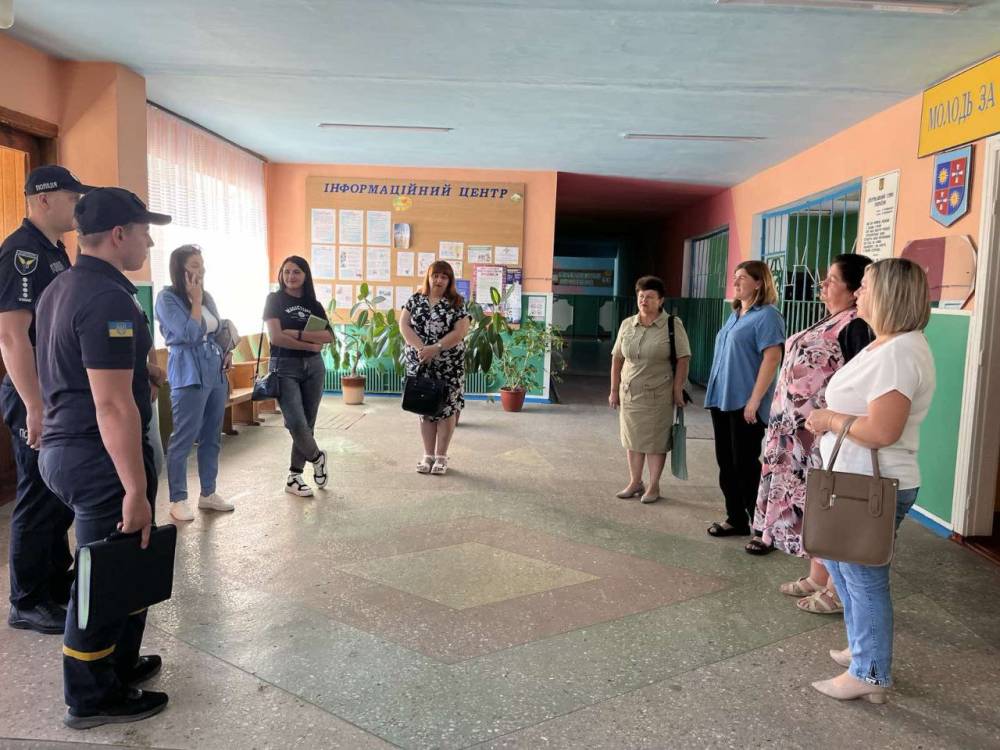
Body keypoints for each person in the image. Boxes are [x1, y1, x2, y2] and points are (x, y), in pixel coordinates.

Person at [35, 187, 172, 728]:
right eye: (143, 232)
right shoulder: (109, 299)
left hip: (70, 448)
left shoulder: (63, 287)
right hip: (99, 458)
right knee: (103, 576)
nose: (149, 242)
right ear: (119, 235)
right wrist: (134, 489)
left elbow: (76, 364)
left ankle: (118, 664)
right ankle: (90, 696)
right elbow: (111, 405)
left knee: (127, 562)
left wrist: (144, 371)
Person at [804, 257, 936, 704]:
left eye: (866, 286)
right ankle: (864, 648)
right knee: (843, 565)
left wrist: (828, 419)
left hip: (870, 485)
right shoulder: (886, 344)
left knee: (863, 577)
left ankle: (871, 672)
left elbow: (882, 431)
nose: (858, 293)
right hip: (852, 479)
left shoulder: (900, 353)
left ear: (889, 295)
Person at [749, 256, 875, 619]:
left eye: (832, 279)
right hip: (793, 437)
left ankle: (835, 589)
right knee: (810, 508)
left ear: (854, 289)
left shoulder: (856, 326)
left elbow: (857, 386)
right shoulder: (831, 318)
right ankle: (817, 576)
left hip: (819, 438)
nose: (823, 285)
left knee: (825, 509)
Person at [0, 166, 92, 635]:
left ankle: (54, 584)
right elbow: (11, 336)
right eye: (72, 198)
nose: (78, 206)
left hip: (55, 391)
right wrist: (34, 406)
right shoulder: (22, 253)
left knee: (58, 495)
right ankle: (27, 600)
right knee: (38, 495)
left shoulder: (54, 249)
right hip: (32, 394)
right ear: (43, 200)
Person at [704, 260, 785, 538]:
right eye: (735, 277)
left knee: (746, 465)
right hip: (722, 399)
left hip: (745, 403)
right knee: (726, 463)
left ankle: (762, 526)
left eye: (742, 278)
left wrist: (755, 400)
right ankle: (736, 518)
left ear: (759, 283)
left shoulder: (768, 316)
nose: (736, 282)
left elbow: (772, 358)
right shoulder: (737, 313)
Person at [155, 245, 235, 522]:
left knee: (212, 435)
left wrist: (227, 351)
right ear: (180, 269)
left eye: (202, 264)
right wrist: (196, 301)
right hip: (188, 370)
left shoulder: (207, 296)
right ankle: (178, 499)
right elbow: (189, 334)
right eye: (194, 265)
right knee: (184, 437)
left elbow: (217, 329)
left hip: (215, 369)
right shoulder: (167, 299)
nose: (201, 270)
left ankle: (208, 493)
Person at [609, 276, 691, 504]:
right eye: (641, 296)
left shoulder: (672, 324)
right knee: (632, 439)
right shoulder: (627, 324)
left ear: (661, 300)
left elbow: (683, 358)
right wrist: (614, 389)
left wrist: (677, 389)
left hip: (658, 394)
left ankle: (653, 485)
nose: (644, 301)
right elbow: (617, 358)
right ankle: (635, 482)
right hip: (629, 393)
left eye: (650, 297)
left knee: (655, 442)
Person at [263, 255, 333, 497]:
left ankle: (294, 477)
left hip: (314, 367)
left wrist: (296, 334)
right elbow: (276, 337)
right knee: (295, 422)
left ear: (305, 276)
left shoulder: (313, 304)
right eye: (286, 271)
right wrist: (310, 344)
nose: (290, 276)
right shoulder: (274, 300)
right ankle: (317, 457)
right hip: (284, 367)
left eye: (296, 272)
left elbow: (328, 336)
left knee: (308, 424)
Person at [400, 261, 471, 476]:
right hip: (421, 363)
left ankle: (441, 456)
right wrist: (422, 349)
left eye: (443, 277)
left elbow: (460, 331)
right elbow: (404, 325)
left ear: (449, 280)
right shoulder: (415, 299)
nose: (438, 280)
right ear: (428, 277)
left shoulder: (457, 302)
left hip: (448, 365)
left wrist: (436, 348)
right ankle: (428, 455)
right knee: (425, 410)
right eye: (435, 275)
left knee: (446, 410)